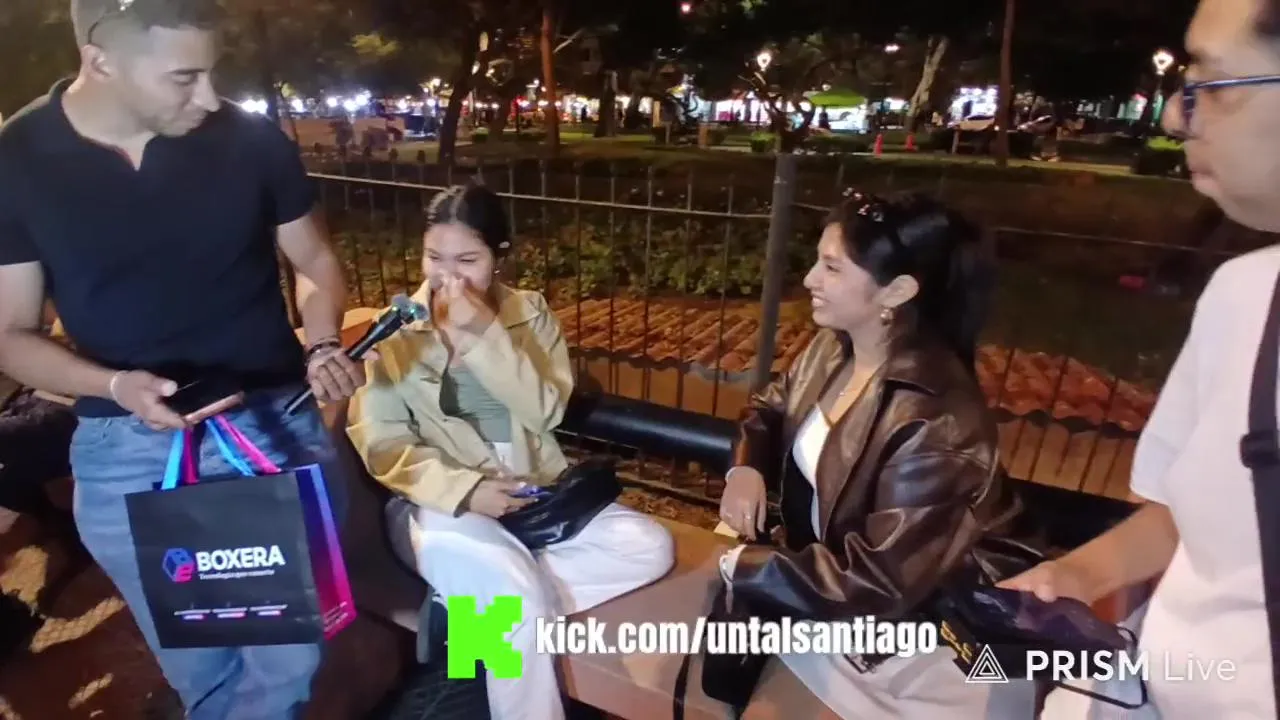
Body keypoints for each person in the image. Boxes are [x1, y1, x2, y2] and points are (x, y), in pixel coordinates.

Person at [0, 0, 365, 717]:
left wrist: (323, 338)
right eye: (184, 77)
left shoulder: (251, 142)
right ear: (100, 60)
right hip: (125, 445)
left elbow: (316, 260)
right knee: (199, 663)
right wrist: (113, 384)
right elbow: (11, 333)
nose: (209, 97)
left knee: (290, 659)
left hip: (270, 425)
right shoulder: (17, 159)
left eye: (212, 72)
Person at [1005, 1, 1280, 718]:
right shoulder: (1241, 296)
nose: (1173, 118)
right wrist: (1078, 574)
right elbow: (1189, 515)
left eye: (1210, 84)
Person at [346, 183, 675, 720]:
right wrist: (467, 491)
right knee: (515, 596)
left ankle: (463, 618)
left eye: (467, 261)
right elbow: (382, 442)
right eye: (434, 258)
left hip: (532, 495)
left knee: (648, 547)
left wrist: (483, 335)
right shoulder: (398, 329)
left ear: (500, 257)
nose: (448, 278)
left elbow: (547, 410)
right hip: (440, 505)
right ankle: (501, 614)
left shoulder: (529, 313)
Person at [716, 192, 1038, 719]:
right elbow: (770, 408)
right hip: (835, 596)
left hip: (928, 630)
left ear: (898, 290)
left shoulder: (936, 418)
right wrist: (746, 467)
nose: (809, 279)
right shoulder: (834, 347)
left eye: (832, 268)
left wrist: (742, 564)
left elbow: (880, 581)